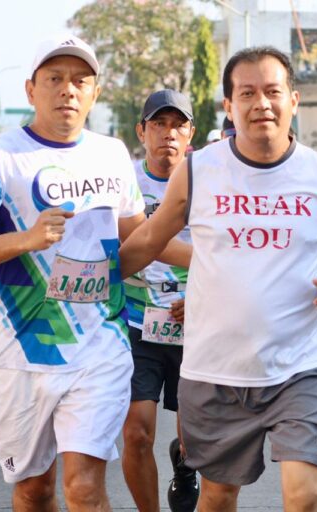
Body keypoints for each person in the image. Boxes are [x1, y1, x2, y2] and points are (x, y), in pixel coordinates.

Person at [0, 34, 189, 511]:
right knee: (34, 491)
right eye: (55, 79)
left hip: (101, 345)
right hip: (25, 348)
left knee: (82, 486)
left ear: (94, 93)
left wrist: (214, 261)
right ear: (30, 90)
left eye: (80, 81)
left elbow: (137, 242)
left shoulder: (112, 154)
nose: (68, 90)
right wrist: (28, 239)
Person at [119, 46, 317, 512]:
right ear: (229, 106)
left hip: (300, 365)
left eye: (272, 92)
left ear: (293, 98)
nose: (261, 103)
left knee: (302, 496)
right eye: (247, 93)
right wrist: (97, 283)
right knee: (219, 496)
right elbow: (149, 241)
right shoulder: (199, 170)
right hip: (215, 369)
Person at [121, 89, 198, 512]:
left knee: (196, 440)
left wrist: (203, 298)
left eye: (178, 125)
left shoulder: (209, 179)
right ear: (142, 131)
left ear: (191, 133)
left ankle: (186, 465)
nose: (168, 133)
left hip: (198, 325)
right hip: (138, 322)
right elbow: (123, 241)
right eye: (158, 124)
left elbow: (228, 249)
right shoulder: (126, 180)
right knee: (137, 432)